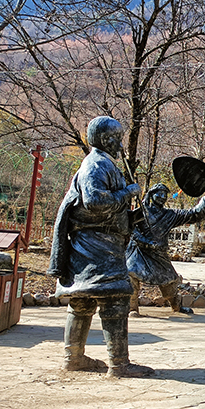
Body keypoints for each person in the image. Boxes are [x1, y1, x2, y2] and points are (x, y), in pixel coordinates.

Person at [47, 116, 153, 378]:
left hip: (97, 242)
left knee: (82, 301)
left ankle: (74, 358)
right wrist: (127, 193)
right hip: (96, 244)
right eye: (117, 139)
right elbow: (94, 202)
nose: (121, 145)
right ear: (106, 139)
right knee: (114, 299)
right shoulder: (96, 164)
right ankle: (118, 364)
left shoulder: (102, 164)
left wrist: (134, 216)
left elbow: (108, 209)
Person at [126, 183, 205, 316]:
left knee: (170, 280)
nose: (162, 196)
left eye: (165, 194)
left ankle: (176, 306)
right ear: (151, 194)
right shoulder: (142, 211)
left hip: (159, 254)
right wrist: (145, 241)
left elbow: (192, 214)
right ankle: (132, 308)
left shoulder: (169, 215)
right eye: (159, 193)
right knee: (131, 274)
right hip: (140, 253)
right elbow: (130, 228)